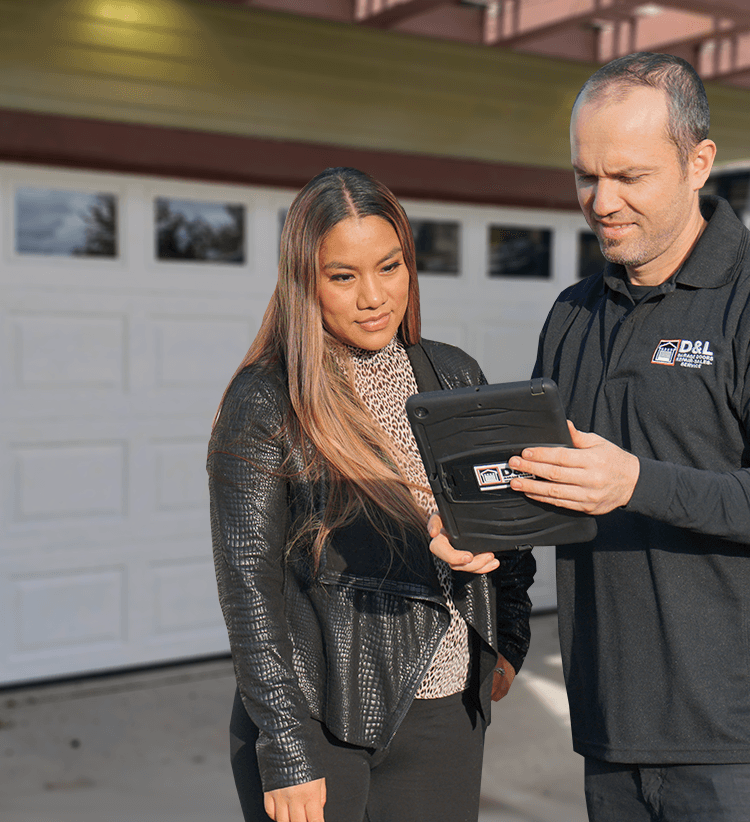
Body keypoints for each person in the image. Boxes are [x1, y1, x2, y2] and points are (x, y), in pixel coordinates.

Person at [434, 54, 750, 821]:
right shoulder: (574, 313)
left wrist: (636, 483)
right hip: (611, 727)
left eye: (629, 177)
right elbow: (542, 479)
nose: (602, 202)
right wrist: (488, 562)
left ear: (699, 163)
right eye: (586, 177)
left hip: (747, 742)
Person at [208, 166, 536, 822]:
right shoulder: (268, 400)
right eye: (343, 276)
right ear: (306, 281)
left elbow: (506, 521)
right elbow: (249, 586)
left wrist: (509, 638)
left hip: (447, 709)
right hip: (320, 716)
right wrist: (286, 749)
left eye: (389, 267)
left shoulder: (453, 374)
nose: (373, 297)